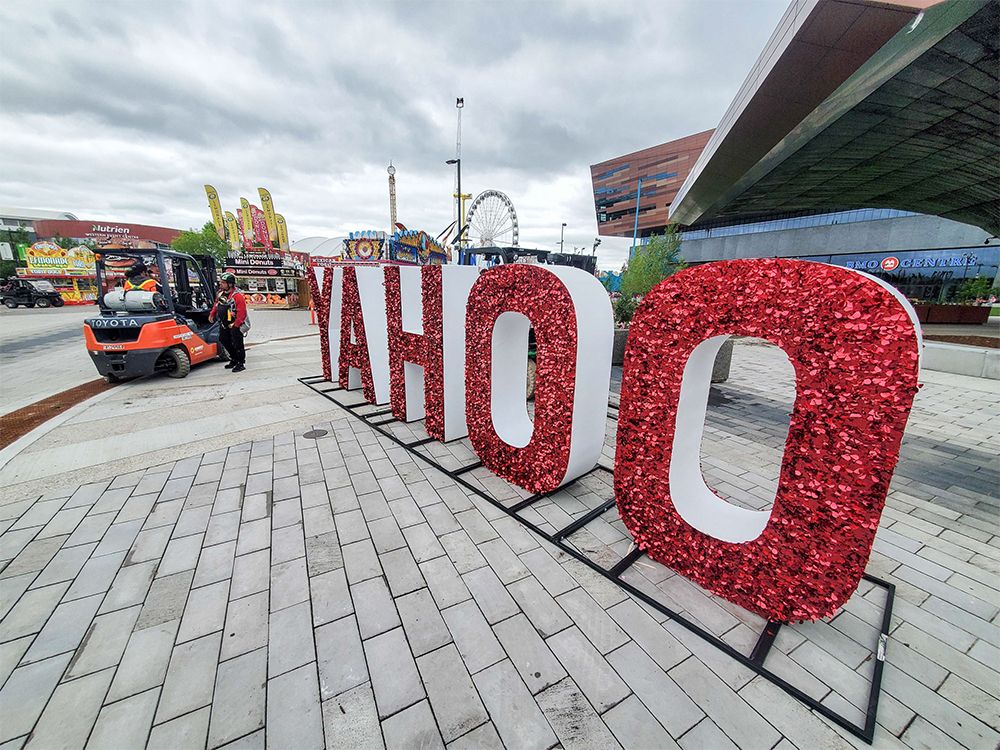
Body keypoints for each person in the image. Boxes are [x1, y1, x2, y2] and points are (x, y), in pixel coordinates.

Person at [209, 272, 248, 372]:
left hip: (235, 324)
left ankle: (240, 363)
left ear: (230, 284)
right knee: (223, 339)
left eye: (223, 282)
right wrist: (212, 314)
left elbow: (242, 312)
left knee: (237, 343)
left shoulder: (237, 296)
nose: (220, 284)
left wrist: (236, 325)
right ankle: (234, 358)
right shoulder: (221, 294)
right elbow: (216, 304)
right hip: (225, 323)